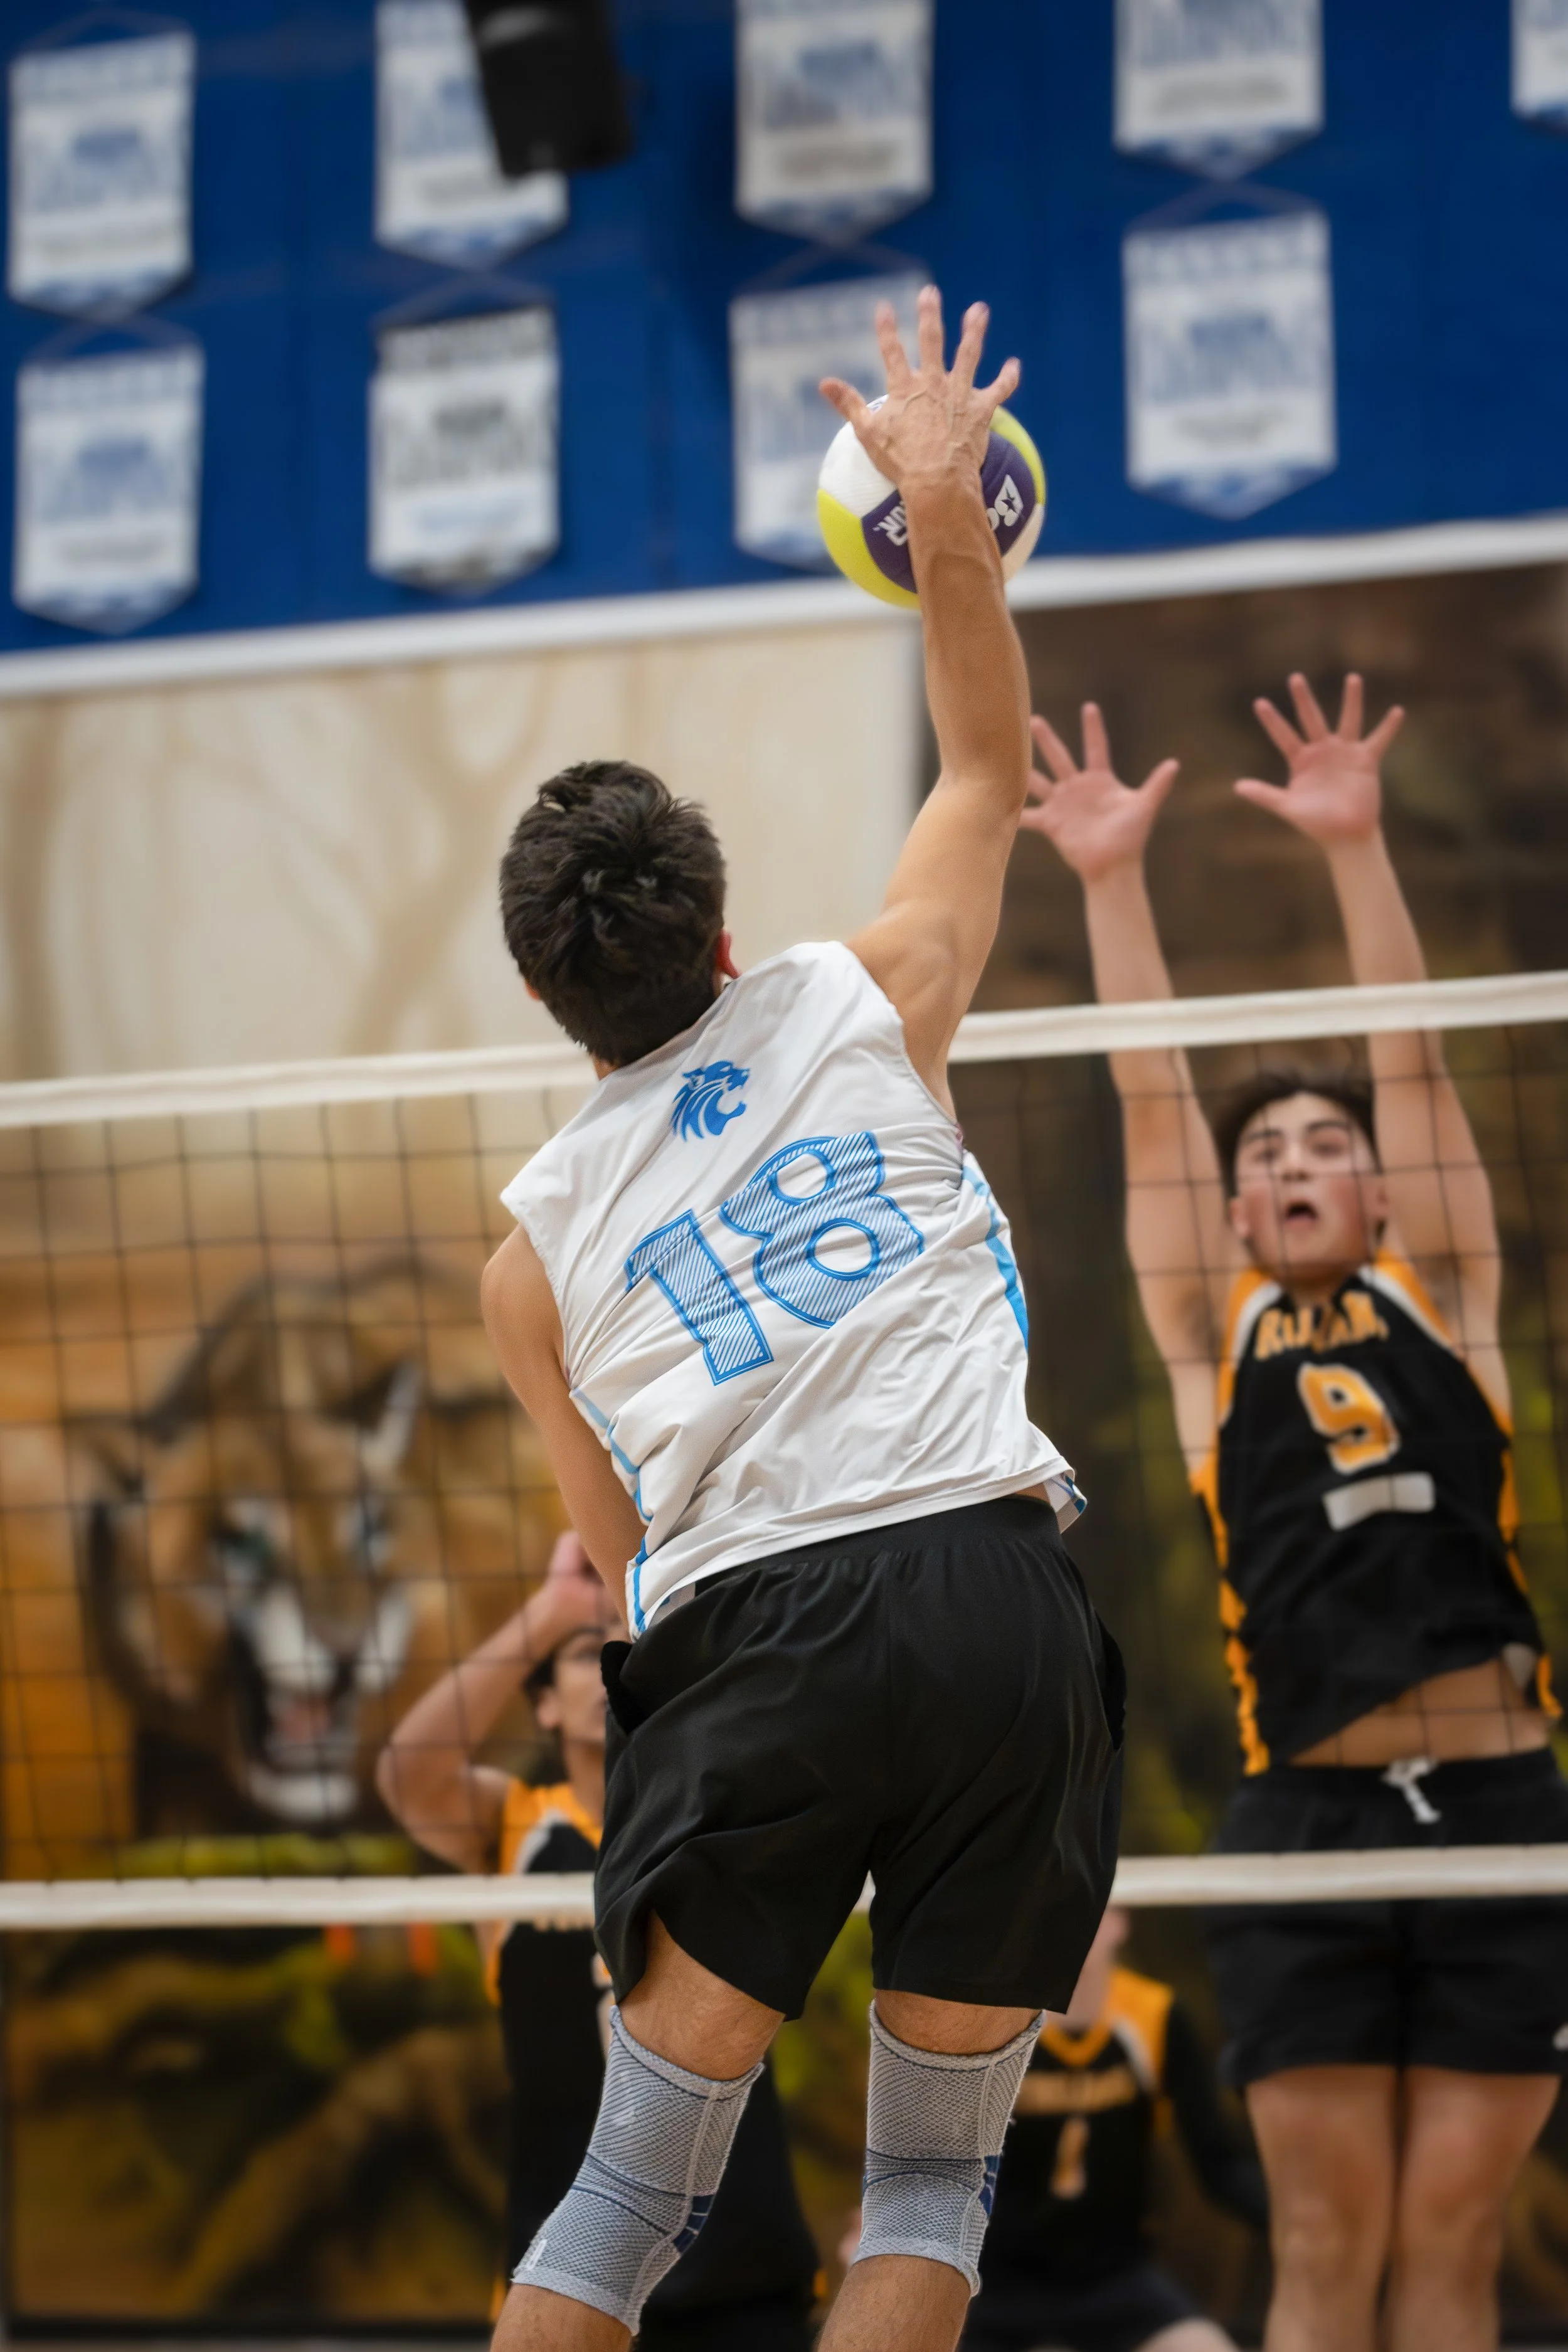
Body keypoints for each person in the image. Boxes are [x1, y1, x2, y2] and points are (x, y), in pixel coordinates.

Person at [479, 285, 1124, 2352]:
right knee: (931, 2181)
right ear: (726, 932)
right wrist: (947, 512)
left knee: (623, 2200)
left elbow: (624, 1555)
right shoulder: (867, 992)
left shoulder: (533, 1253)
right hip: (985, 1592)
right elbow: (985, 767)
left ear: (554, 1005)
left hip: (756, 1633)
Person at [1021, 675, 1568, 2352]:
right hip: (1307, 1830)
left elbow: (1404, 1052)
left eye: (1325, 1140)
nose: (1286, 1162)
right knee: (1324, 2255)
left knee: (1449, 2257)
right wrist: (1110, 881)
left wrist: (1354, 844)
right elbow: (1145, 1104)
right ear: (1238, 1207)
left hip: (1493, 1814)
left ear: (1384, 1184)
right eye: (1261, 1152)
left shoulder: (1446, 1294)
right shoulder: (1213, 1331)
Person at [376, 1530, 821, 2352]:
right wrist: (554, 1611)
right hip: (573, 2260)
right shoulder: (514, 1826)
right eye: (588, 1654)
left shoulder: (716, 1814)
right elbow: (410, 1775)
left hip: (741, 2255)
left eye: (630, 1646)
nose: (614, 1660)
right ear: (543, 1701)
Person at [965, 1905, 1264, 2352]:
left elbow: (1218, 2164)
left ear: (1120, 1921)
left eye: (1092, 1906)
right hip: (996, 2288)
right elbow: (942, 2159)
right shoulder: (992, 2020)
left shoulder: (1155, 2015)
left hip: (1117, 2281)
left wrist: (1297, 2226)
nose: (1072, 1922)